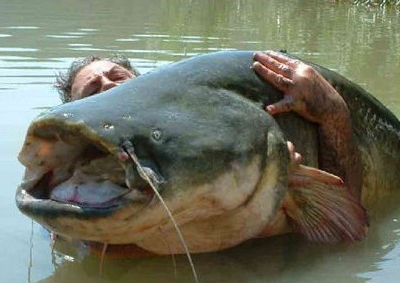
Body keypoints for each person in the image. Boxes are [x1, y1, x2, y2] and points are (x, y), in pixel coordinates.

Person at [55, 50, 361, 198]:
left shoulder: (205, 126)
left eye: (118, 77)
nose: (109, 86)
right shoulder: (78, 189)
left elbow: (347, 228)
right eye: (92, 90)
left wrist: (333, 112)